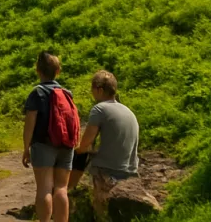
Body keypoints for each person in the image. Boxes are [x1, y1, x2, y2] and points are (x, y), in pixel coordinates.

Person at [76, 70, 140, 220]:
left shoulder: (99, 109)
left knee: (76, 158)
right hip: (130, 170)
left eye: (92, 90)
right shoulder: (128, 111)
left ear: (99, 90)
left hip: (108, 171)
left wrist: (76, 151)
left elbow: (85, 143)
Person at [23, 51, 74, 222]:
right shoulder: (67, 93)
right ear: (58, 71)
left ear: (38, 70)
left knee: (44, 188)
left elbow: (30, 122)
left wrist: (26, 148)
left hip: (44, 145)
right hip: (66, 146)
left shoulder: (37, 93)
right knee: (61, 188)